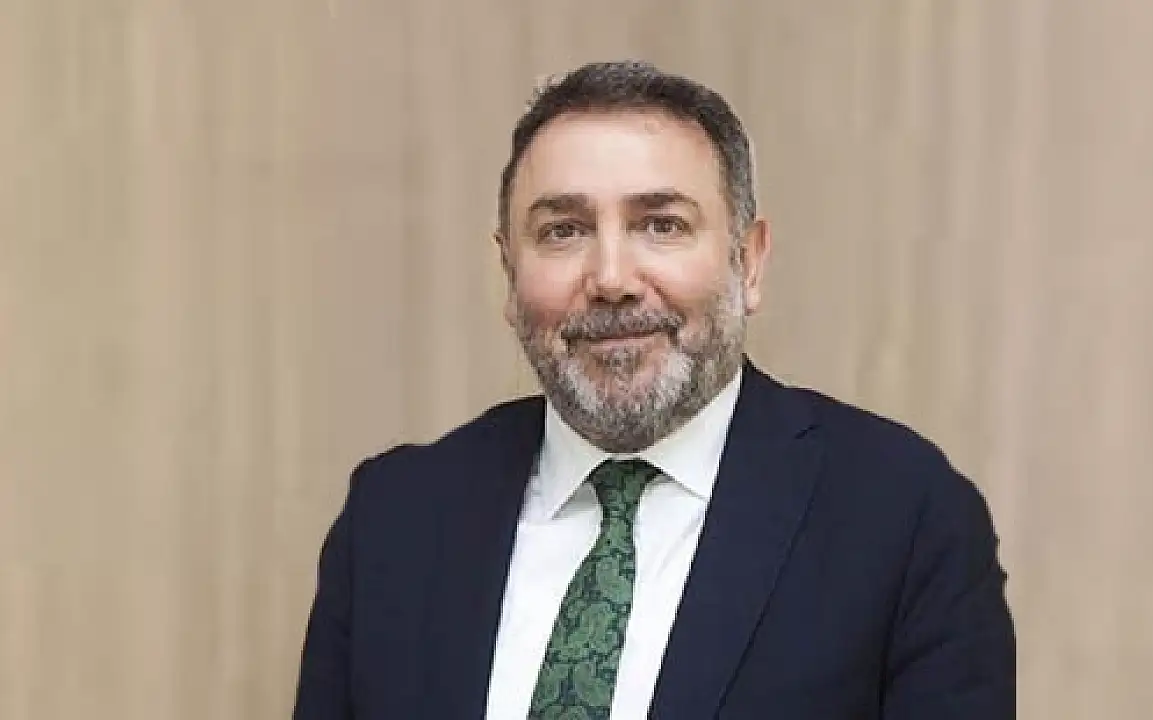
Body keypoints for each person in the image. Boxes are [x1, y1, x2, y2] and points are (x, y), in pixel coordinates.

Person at [292, 60, 1015, 720]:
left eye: (661, 225)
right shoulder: (392, 521)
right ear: (509, 275)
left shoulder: (903, 519)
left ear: (748, 263)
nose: (611, 279)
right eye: (563, 231)